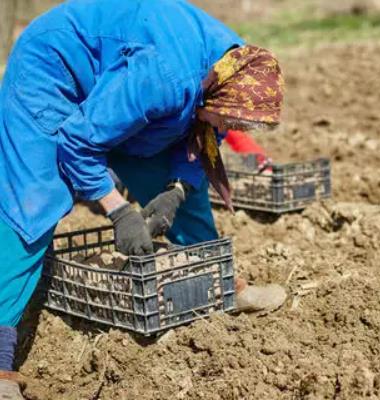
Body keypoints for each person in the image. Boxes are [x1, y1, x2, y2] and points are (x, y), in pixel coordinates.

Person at [0, 1, 286, 397]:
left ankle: (221, 287)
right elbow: (79, 141)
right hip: (55, 67)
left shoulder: (235, 68)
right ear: (215, 95)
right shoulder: (163, 78)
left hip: (127, 84)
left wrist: (177, 190)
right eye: (232, 121)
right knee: (33, 202)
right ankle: (0, 363)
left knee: (187, 195)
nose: (233, 129)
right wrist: (118, 211)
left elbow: (210, 133)